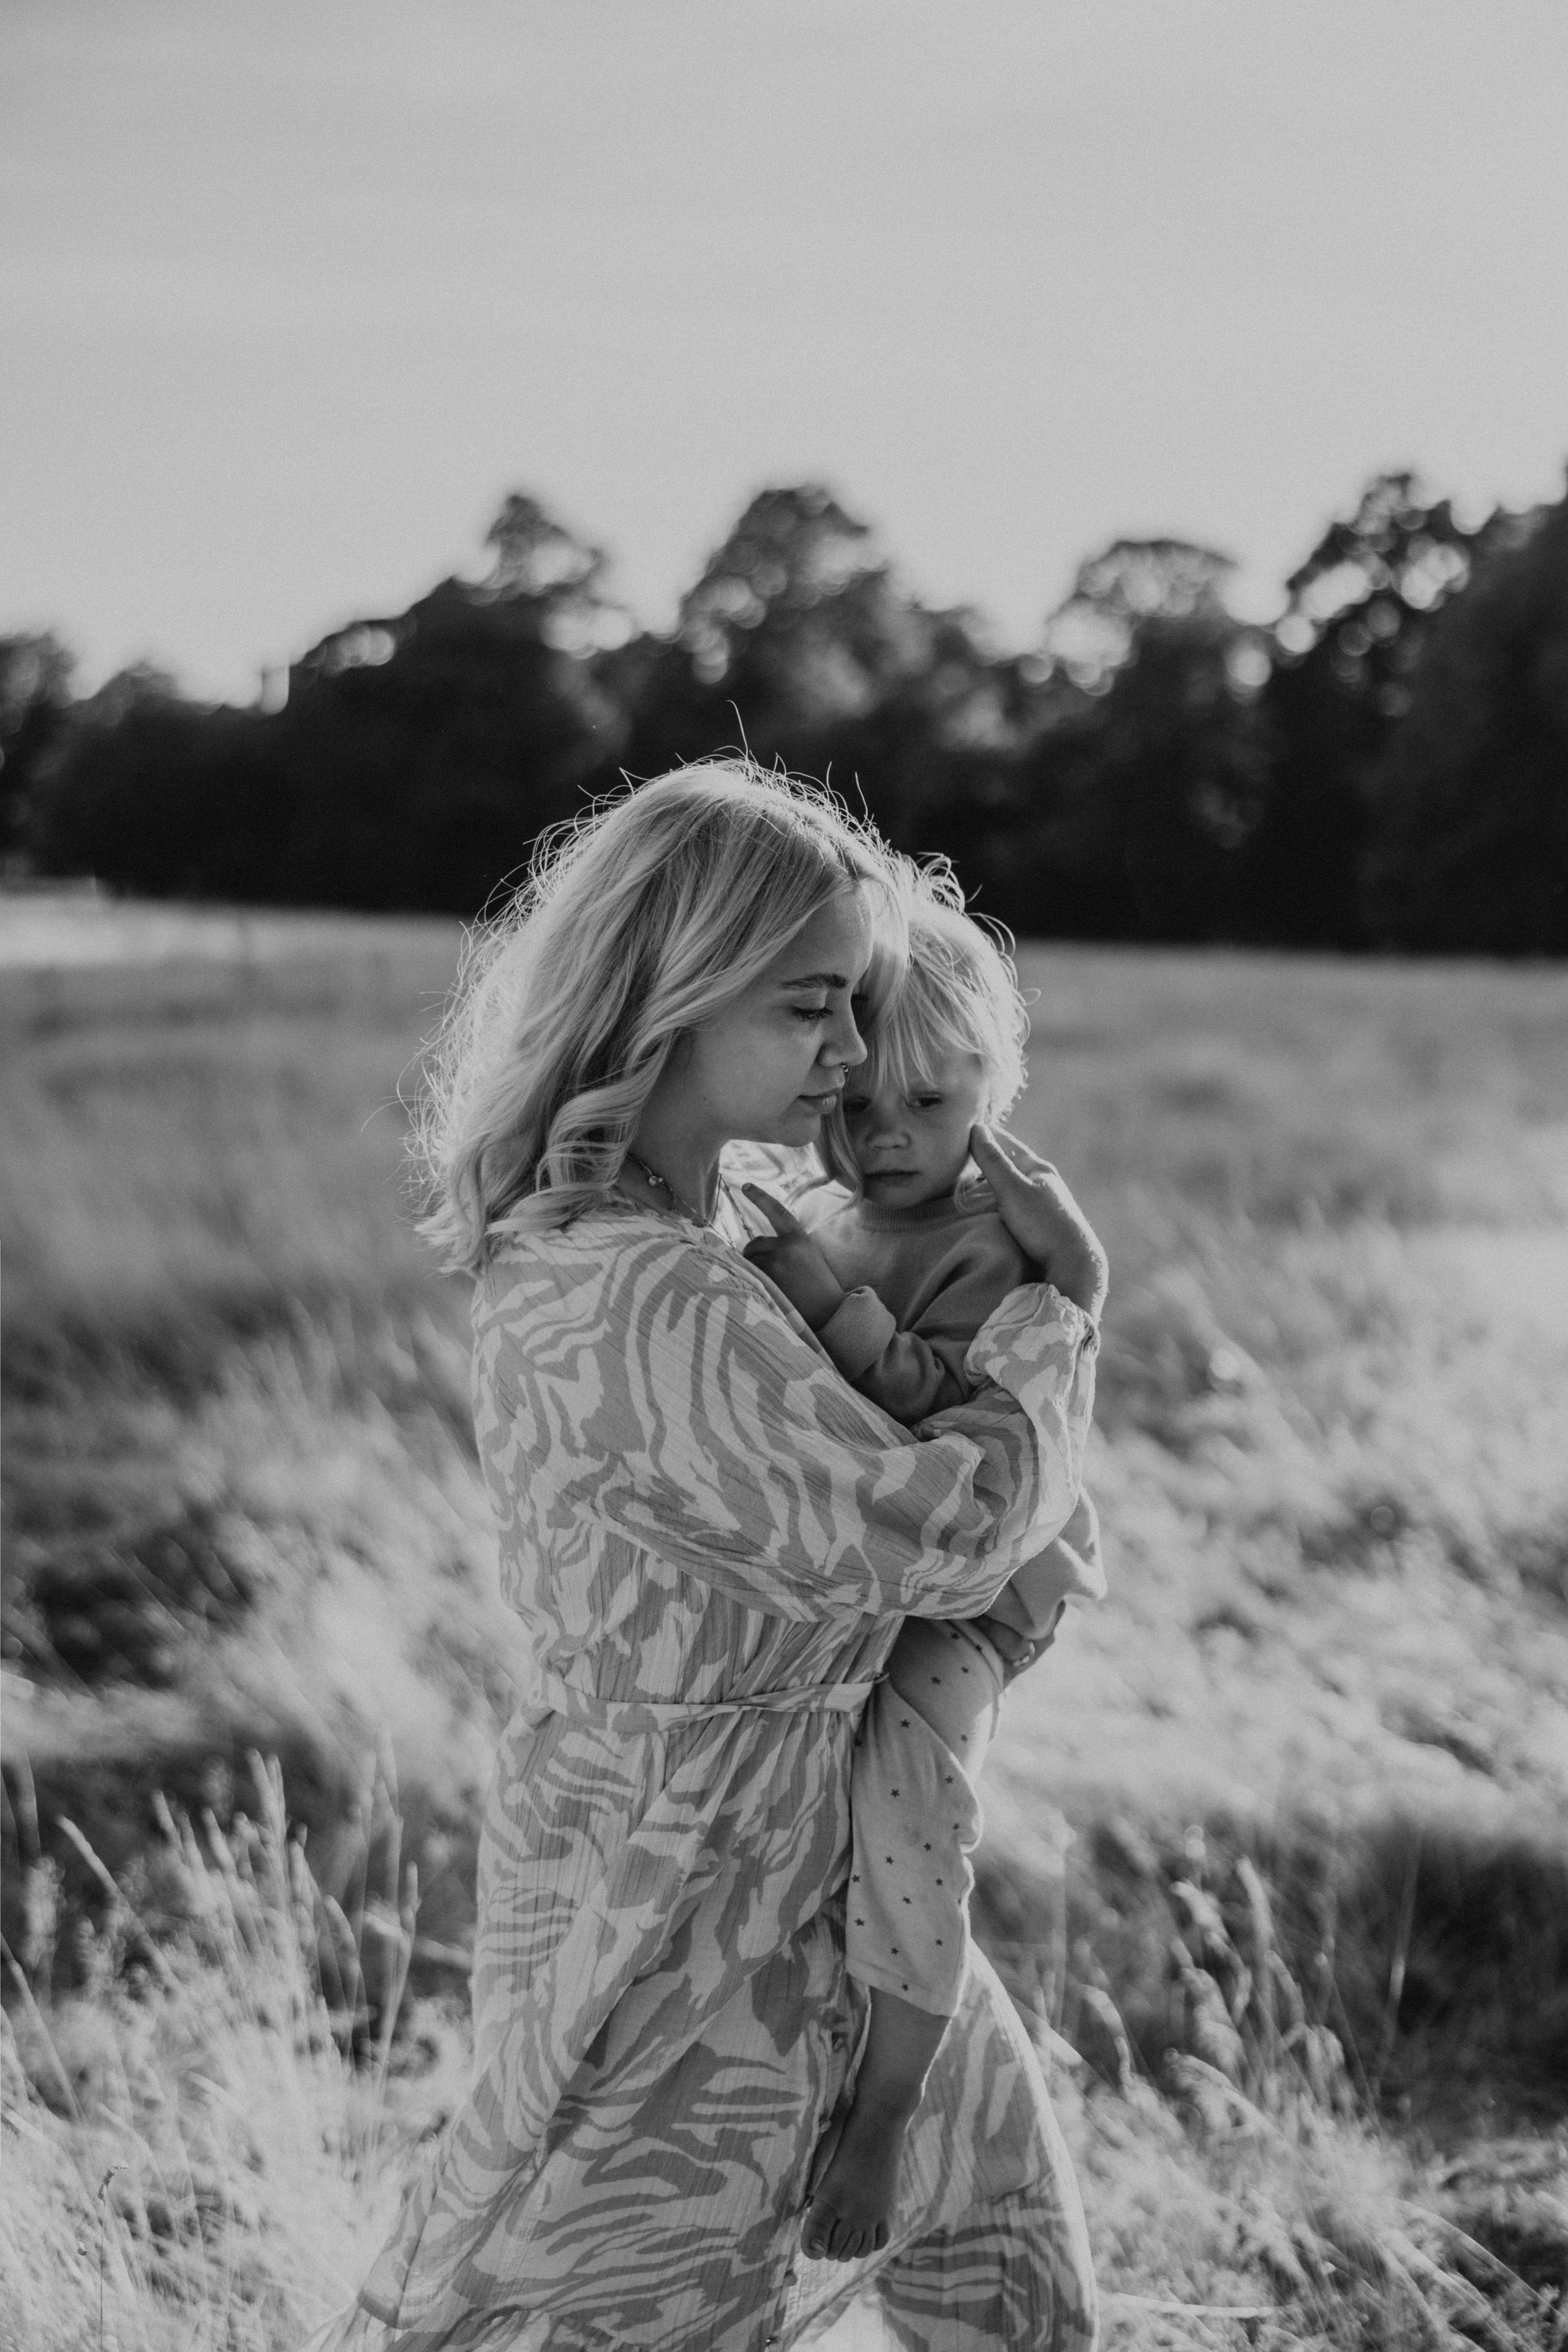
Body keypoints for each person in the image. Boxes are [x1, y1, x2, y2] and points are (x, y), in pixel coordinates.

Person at [311, 761, 1107, 2352]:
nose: (852, 1054)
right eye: (815, 1008)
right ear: (676, 993)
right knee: (583, 2308)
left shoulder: (723, 1217)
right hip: (684, 1909)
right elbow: (946, 1532)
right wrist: (1062, 1314)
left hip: (802, 1854)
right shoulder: (635, 1290)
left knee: (1012, 2277)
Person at [740, 867, 1105, 2264]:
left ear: (987, 1097)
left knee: (908, 1803)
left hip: (976, 1593)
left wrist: (820, 1297)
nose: (885, 1138)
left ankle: (890, 2103)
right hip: (873, 1577)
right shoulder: (828, 1212)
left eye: (930, 1108)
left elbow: (938, 1424)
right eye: (853, 1107)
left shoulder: (992, 1244)